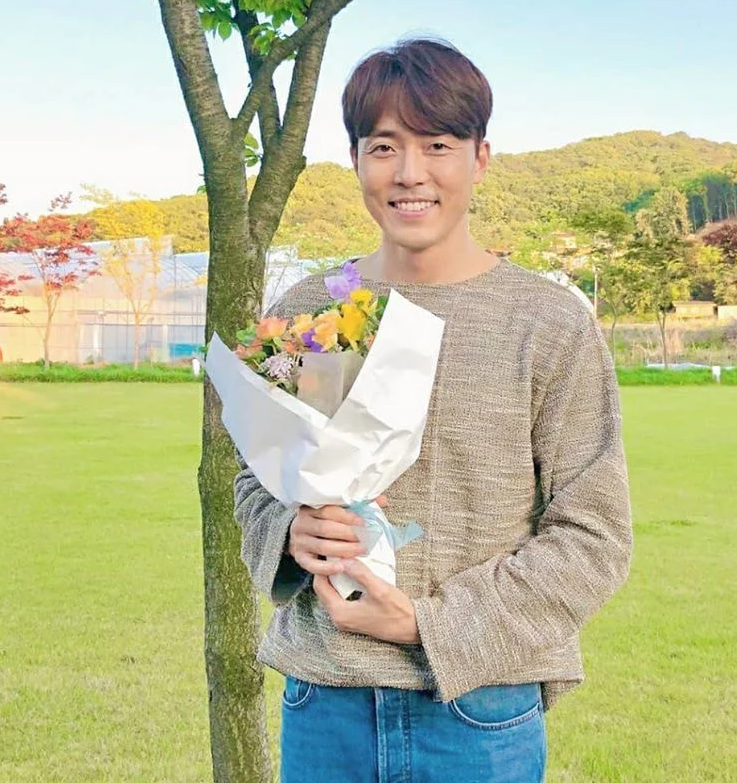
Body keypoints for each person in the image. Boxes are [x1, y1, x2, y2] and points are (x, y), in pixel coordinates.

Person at [233, 38, 632, 783]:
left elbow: (594, 536)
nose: (409, 172)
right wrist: (292, 532)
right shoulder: (310, 310)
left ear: (480, 158)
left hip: (479, 707)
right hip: (323, 700)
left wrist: (426, 624)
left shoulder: (548, 323)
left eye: (438, 145)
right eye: (384, 146)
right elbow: (254, 481)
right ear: (356, 160)